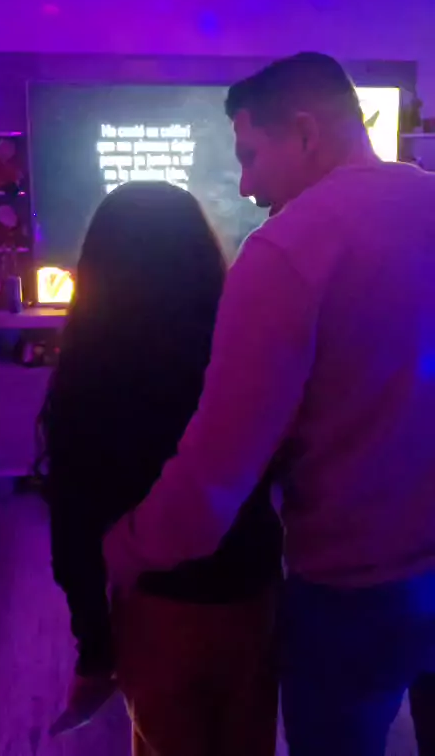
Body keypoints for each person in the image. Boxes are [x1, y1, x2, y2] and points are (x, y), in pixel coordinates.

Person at [104, 54, 435, 756]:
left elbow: (216, 479)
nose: (246, 186)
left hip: (356, 587)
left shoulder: (286, 250)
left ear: (306, 133)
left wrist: (124, 548)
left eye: (251, 156)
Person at [40, 181, 281, 755]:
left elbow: (74, 525)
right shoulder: (242, 354)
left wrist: (94, 649)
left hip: (158, 604)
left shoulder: (89, 375)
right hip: (253, 594)